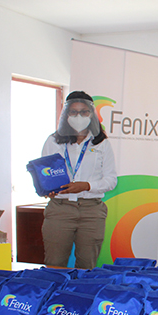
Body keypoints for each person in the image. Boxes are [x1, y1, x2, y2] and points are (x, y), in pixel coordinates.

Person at [41, 91, 117, 269]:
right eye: (73, 112)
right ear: (66, 114)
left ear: (92, 114)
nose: (78, 116)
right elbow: (44, 174)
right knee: (54, 264)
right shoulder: (53, 141)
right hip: (60, 209)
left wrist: (87, 186)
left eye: (84, 112)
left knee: (87, 266)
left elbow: (111, 180)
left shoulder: (101, 143)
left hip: (91, 211)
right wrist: (47, 189)